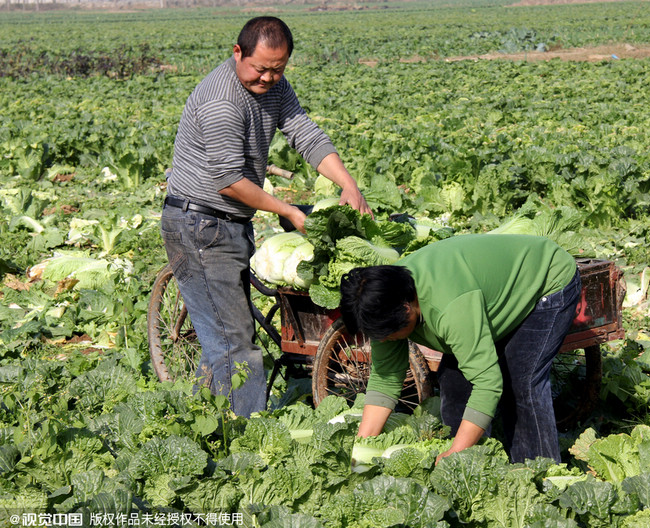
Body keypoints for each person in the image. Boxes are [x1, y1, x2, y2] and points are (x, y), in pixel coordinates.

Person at [161, 16, 371, 417]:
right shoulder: (221, 101)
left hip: (229, 222)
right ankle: (243, 440)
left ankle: (203, 417)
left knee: (225, 334)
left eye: (278, 69)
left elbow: (303, 133)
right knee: (236, 345)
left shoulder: (274, 86)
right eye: (260, 69)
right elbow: (229, 181)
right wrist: (289, 210)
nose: (268, 78)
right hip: (200, 225)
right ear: (238, 52)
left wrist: (349, 184)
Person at [339, 233, 580, 463]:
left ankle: (540, 474)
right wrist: (362, 447)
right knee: (454, 382)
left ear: (406, 310)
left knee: (521, 381)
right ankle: (474, 463)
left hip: (545, 279)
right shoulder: (384, 301)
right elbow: (385, 380)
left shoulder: (450, 309)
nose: (383, 342)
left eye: (387, 335)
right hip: (486, 295)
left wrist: (457, 451)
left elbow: (488, 383)